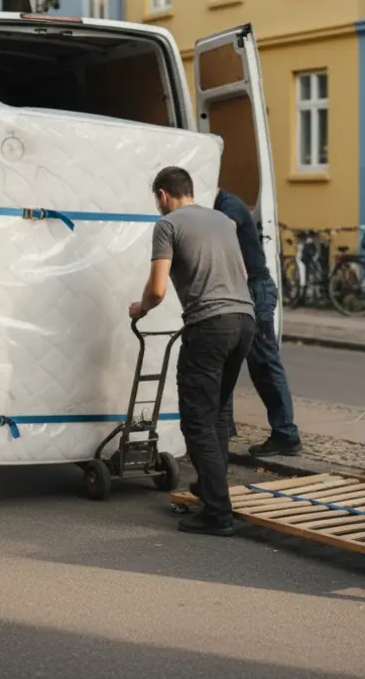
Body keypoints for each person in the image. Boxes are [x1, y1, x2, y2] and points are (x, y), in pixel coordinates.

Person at [129, 166, 254, 536]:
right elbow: (243, 275)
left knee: (197, 420)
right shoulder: (222, 220)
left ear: (163, 195)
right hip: (244, 321)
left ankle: (217, 514)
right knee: (215, 414)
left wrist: (141, 308)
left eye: (157, 200)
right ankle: (208, 488)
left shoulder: (167, 225)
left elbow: (157, 289)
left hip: (210, 326)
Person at [212, 189, 301, 456]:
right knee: (223, 362)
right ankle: (221, 432)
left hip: (254, 289)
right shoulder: (215, 206)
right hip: (240, 289)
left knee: (264, 364)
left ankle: (286, 434)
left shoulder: (229, 205)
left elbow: (223, 238)